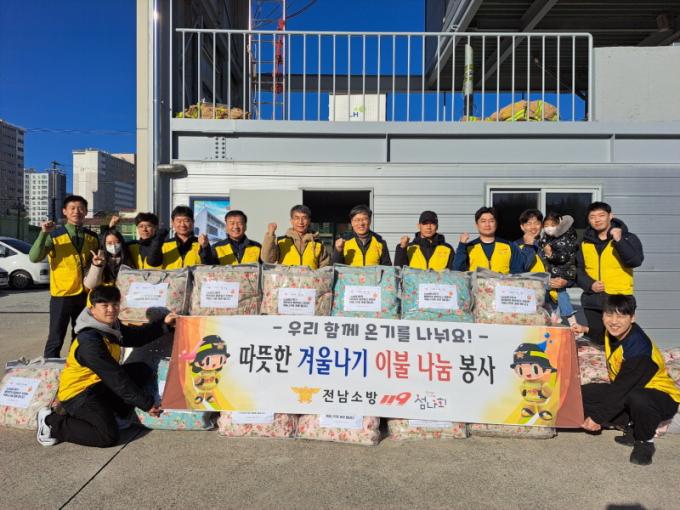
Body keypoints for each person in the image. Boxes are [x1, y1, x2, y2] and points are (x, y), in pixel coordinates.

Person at [36, 285, 177, 447]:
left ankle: (113, 413)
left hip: (98, 385)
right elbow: (115, 378)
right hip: (79, 394)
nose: (111, 309)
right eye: (105, 305)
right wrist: (147, 404)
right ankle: (52, 422)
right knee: (107, 436)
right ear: (92, 309)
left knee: (140, 370)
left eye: (115, 304)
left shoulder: (111, 327)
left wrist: (164, 325)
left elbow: (136, 337)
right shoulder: (89, 342)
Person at [580, 295, 679, 466]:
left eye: (621, 316)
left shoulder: (639, 350)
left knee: (637, 398)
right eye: (609, 314)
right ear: (603, 316)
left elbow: (622, 390)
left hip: (661, 397)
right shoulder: (612, 332)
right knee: (582, 393)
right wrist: (584, 329)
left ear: (632, 318)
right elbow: (601, 335)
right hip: (630, 389)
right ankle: (630, 423)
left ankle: (644, 441)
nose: (614, 321)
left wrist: (597, 418)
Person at [29, 195, 100, 358]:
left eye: (81, 208)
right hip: (62, 295)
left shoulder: (92, 237)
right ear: (65, 212)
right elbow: (34, 257)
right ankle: (50, 367)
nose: (77, 211)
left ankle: (76, 365)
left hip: (85, 294)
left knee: (81, 334)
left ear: (86, 211)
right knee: (56, 336)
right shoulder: (54, 235)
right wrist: (43, 234)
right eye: (72, 208)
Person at [575, 202, 644, 344]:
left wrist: (619, 240)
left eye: (601, 215)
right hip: (592, 299)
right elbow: (578, 269)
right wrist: (589, 285)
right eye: (592, 217)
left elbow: (635, 261)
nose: (597, 219)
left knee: (621, 339)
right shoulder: (584, 242)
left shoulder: (627, 238)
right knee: (598, 340)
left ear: (610, 216)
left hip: (619, 299)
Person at [454, 206, 532, 274]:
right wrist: (462, 245)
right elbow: (457, 270)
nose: (487, 224)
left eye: (491, 221)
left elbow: (517, 272)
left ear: (496, 224)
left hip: (503, 286)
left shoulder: (509, 246)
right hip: (476, 286)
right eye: (483, 221)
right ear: (477, 225)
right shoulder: (468, 247)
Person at [538, 212, 579, 326]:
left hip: (563, 272)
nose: (549, 228)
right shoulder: (548, 237)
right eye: (546, 225)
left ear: (559, 225)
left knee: (560, 293)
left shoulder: (564, 238)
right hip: (553, 271)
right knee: (549, 293)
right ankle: (555, 316)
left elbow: (563, 257)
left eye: (552, 225)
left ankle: (571, 320)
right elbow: (542, 245)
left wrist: (550, 254)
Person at [261, 205, 330, 268]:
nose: (300, 222)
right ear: (291, 221)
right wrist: (270, 234)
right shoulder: (281, 241)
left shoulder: (318, 243)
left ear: (309, 221)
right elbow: (267, 259)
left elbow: (325, 267)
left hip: (311, 278)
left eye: (304, 218)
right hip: (286, 278)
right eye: (297, 218)